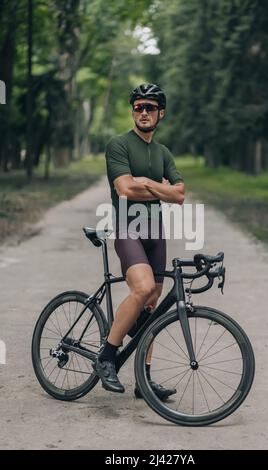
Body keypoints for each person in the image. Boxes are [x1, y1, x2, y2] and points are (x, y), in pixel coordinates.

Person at [95, 83, 185, 400]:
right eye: (138, 107)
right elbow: (126, 190)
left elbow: (180, 195)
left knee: (150, 309)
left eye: (150, 107)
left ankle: (143, 382)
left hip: (154, 231)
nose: (143, 112)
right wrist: (154, 185)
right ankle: (106, 356)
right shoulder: (118, 145)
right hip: (126, 227)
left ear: (160, 113)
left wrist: (144, 181)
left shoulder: (163, 153)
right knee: (143, 288)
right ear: (133, 111)